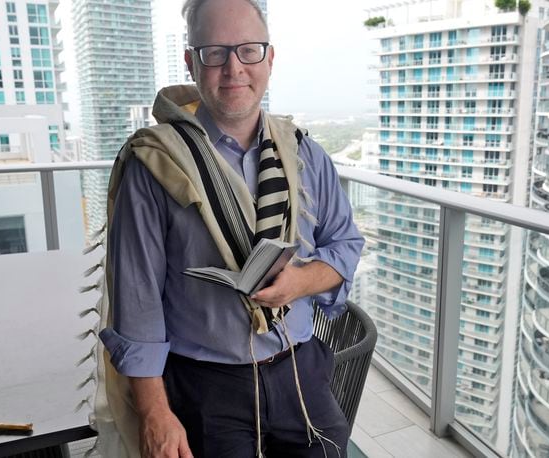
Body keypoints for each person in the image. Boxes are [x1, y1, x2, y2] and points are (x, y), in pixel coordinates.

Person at [96, 0, 364, 457]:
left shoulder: (304, 153)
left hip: (300, 373)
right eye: (215, 52)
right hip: (205, 391)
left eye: (249, 51)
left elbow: (345, 244)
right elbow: (137, 302)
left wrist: (302, 282)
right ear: (191, 61)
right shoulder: (155, 165)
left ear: (270, 58)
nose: (233, 68)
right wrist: (156, 414)